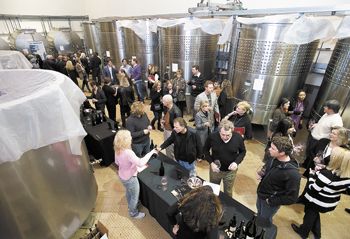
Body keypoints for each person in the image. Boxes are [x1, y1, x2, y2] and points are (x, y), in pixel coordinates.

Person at [291, 147, 350, 239]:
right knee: (314, 214)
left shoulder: (327, 175)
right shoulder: (347, 175)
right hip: (331, 202)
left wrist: (311, 175)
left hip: (317, 201)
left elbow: (312, 189)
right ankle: (317, 233)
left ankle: (303, 232)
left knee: (310, 214)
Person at [256, 136, 301, 226]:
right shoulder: (273, 157)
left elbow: (292, 198)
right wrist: (263, 174)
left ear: (282, 153)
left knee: (265, 221)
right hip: (261, 194)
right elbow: (269, 169)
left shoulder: (292, 174)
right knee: (259, 215)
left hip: (270, 202)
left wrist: (271, 201)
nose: (269, 149)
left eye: (273, 148)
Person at [114, 130, 158, 219]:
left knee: (129, 191)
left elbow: (117, 162)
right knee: (135, 196)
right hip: (130, 178)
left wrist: (129, 165)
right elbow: (141, 163)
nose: (131, 138)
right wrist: (151, 152)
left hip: (122, 176)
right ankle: (133, 213)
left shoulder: (117, 149)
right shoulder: (128, 152)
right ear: (125, 140)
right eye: (129, 137)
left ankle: (130, 204)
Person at [203, 119, 246, 196]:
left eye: (228, 135)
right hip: (215, 171)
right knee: (213, 190)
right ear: (219, 131)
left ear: (232, 131)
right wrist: (211, 163)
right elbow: (205, 150)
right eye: (222, 134)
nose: (225, 137)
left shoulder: (238, 138)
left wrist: (236, 163)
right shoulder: (212, 136)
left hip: (230, 172)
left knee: (228, 192)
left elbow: (243, 152)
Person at [303, 99, 343, 169]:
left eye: (326, 107)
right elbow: (324, 124)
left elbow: (335, 134)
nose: (323, 107)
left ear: (331, 109)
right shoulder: (327, 114)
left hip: (320, 142)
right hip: (313, 138)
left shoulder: (337, 121)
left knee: (315, 158)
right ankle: (305, 165)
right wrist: (316, 125)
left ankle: (310, 171)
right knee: (309, 154)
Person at [161, 94, 182, 159]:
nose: (162, 102)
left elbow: (179, 126)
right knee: (168, 149)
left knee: (171, 150)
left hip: (171, 133)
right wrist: (164, 121)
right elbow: (168, 118)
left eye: (163, 101)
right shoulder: (167, 108)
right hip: (167, 130)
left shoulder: (177, 111)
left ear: (167, 102)